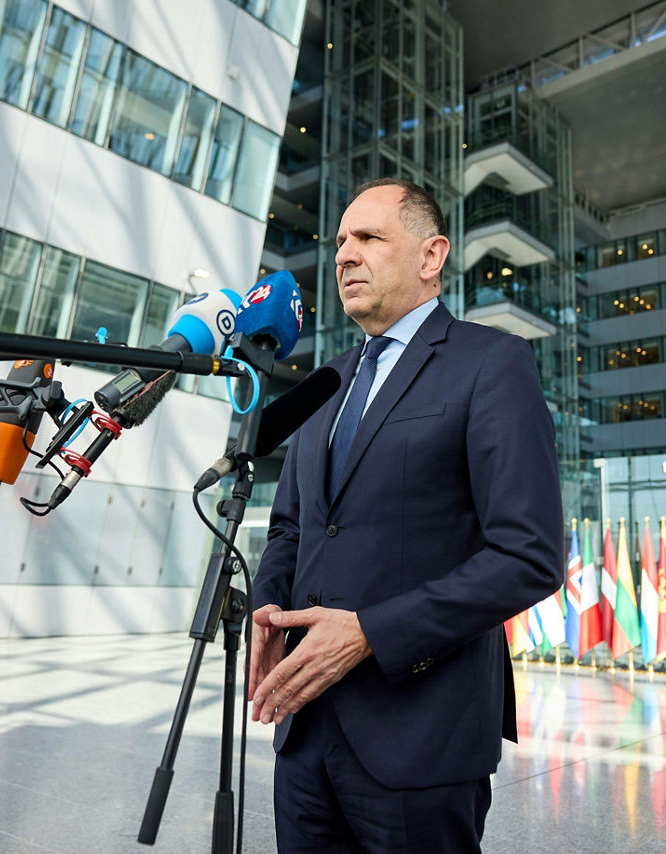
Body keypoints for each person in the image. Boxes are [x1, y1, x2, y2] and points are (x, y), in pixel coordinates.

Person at [247, 178, 565, 852]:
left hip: (422, 738)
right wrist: (268, 607)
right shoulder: (326, 383)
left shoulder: (491, 363)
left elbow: (528, 556)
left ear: (430, 255)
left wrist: (370, 633)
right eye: (340, 242)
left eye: (368, 237)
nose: (344, 255)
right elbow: (291, 527)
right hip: (304, 733)